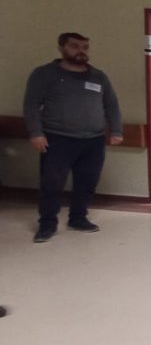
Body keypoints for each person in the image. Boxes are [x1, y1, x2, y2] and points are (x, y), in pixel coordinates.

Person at [23, 32, 123, 243]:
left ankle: (78, 218)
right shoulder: (44, 74)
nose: (81, 51)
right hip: (57, 139)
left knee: (87, 182)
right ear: (61, 47)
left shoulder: (98, 76)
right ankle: (47, 225)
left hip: (93, 140)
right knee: (52, 184)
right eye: (75, 46)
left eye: (85, 47)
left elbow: (111, 105)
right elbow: (31, 105)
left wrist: (116, 131)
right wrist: (36, 133)